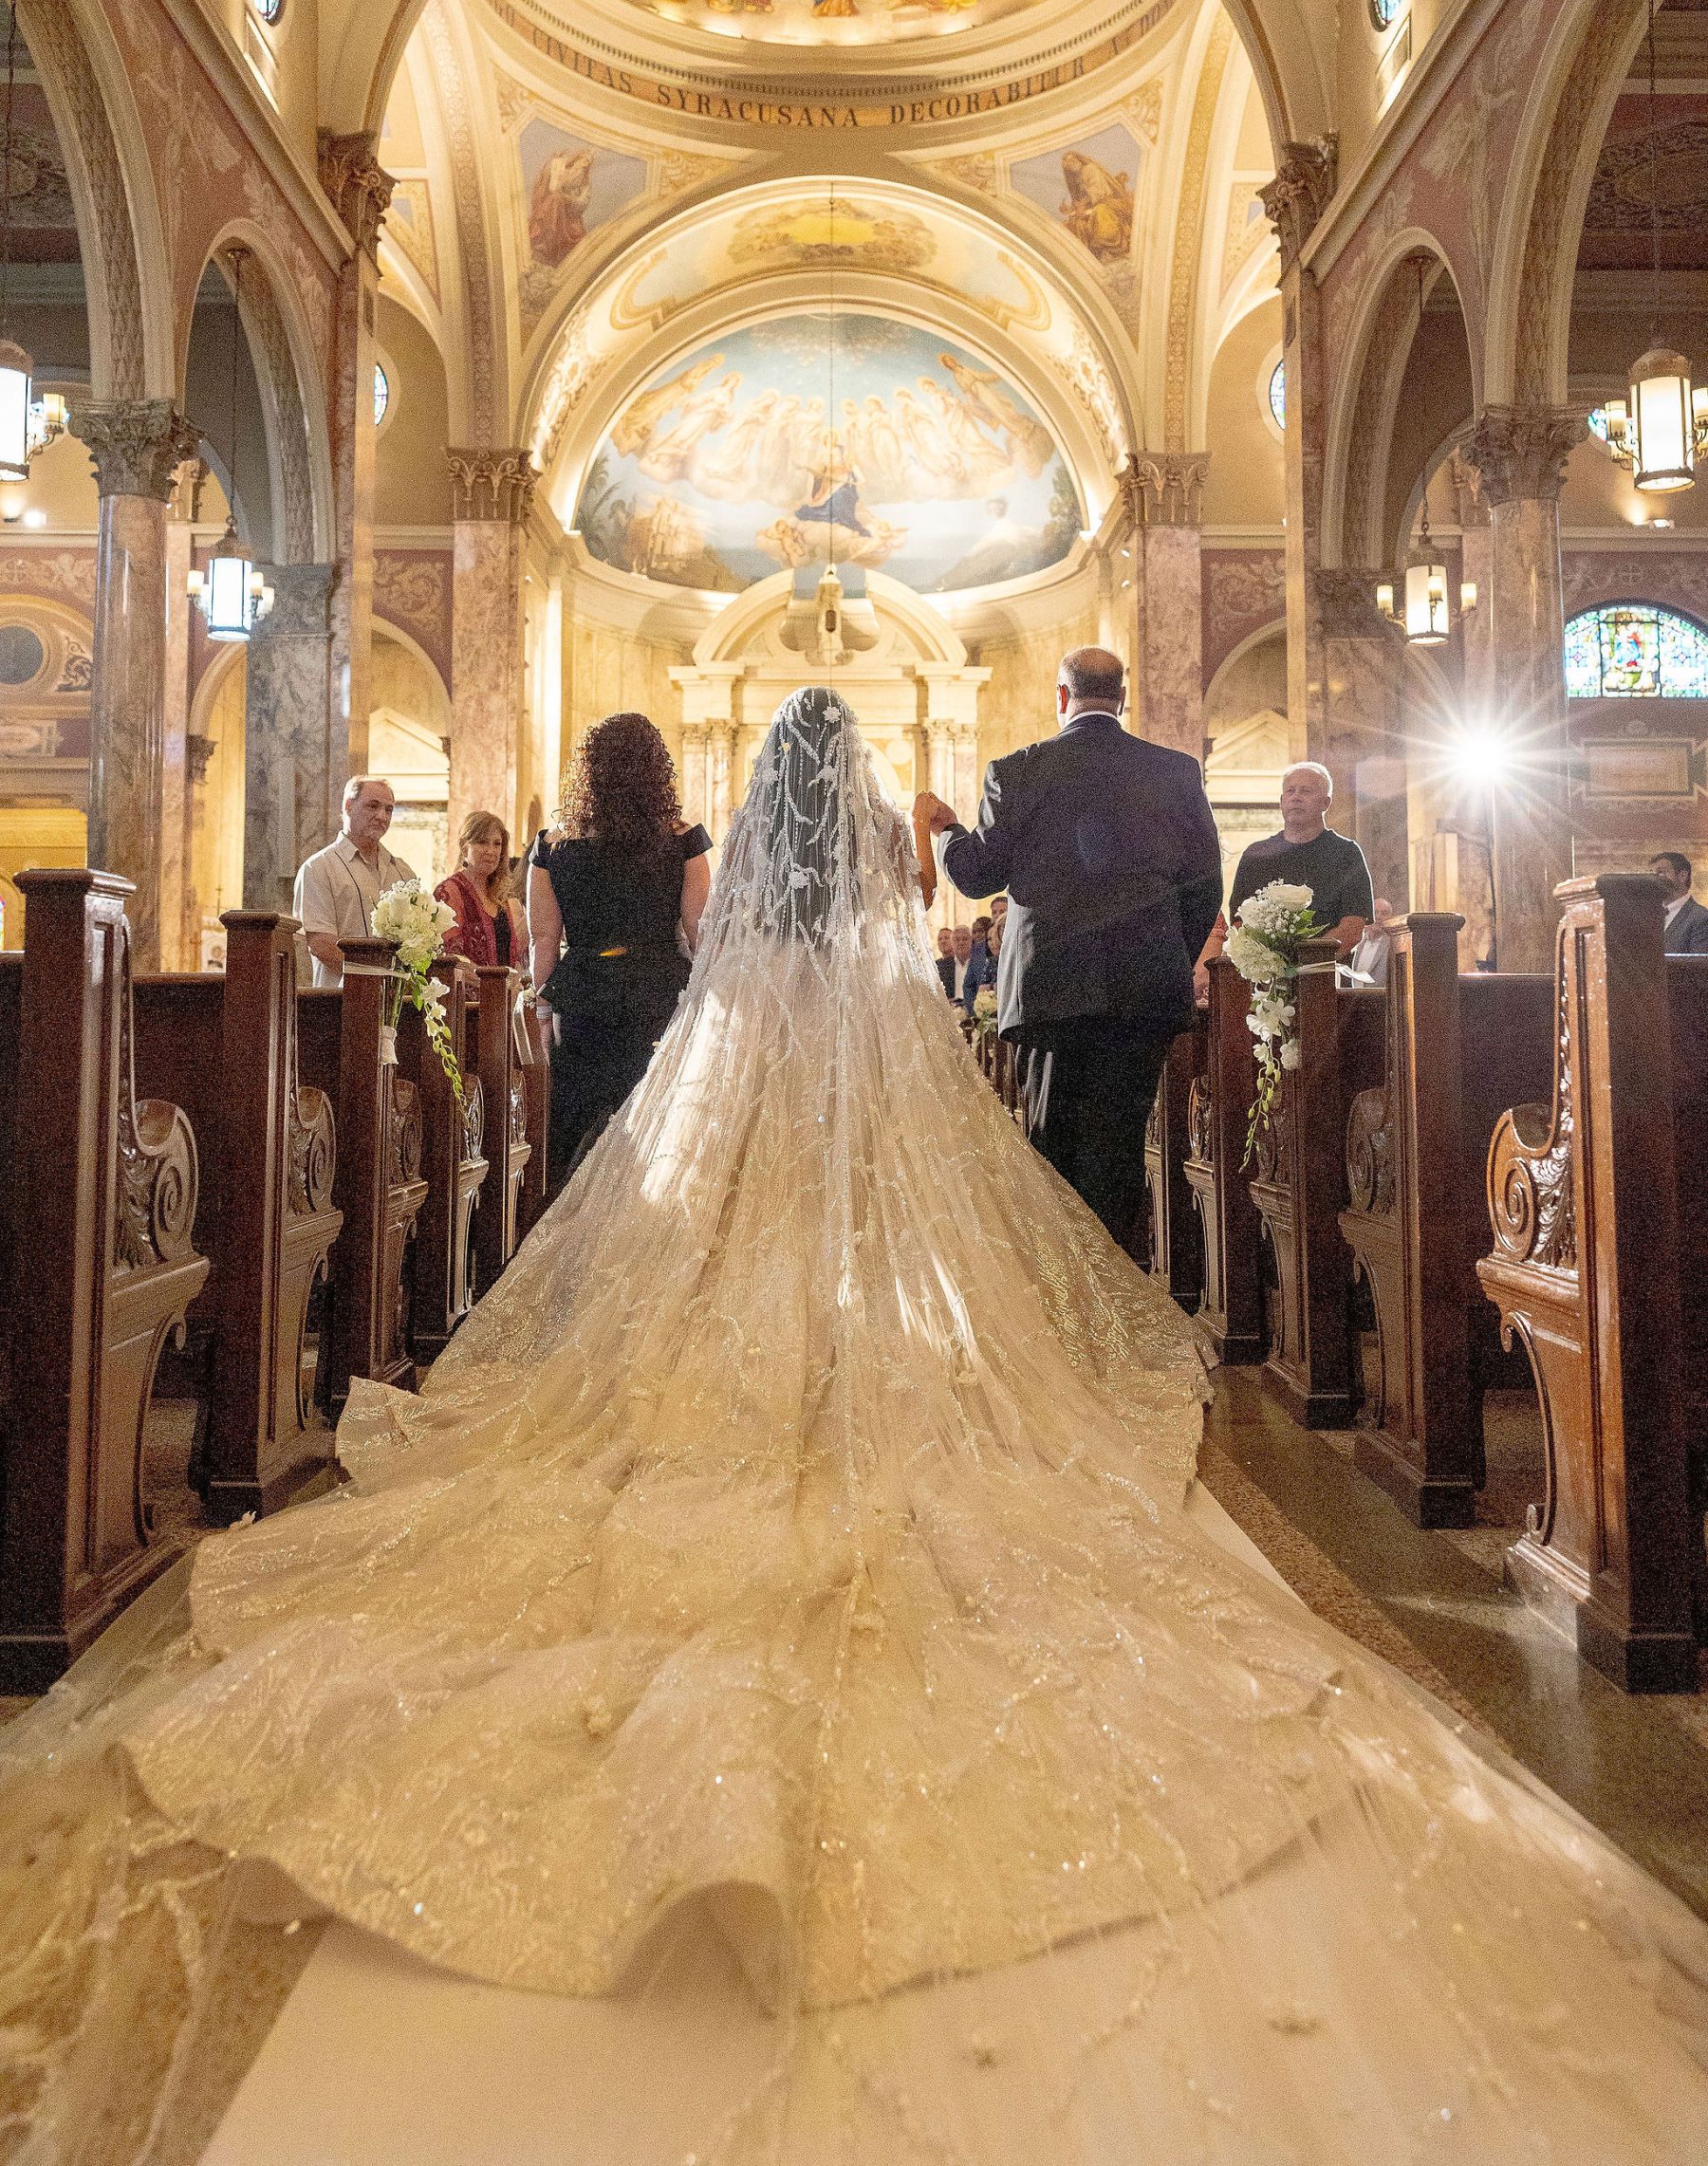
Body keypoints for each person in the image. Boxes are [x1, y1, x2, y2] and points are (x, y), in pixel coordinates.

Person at [13, 682, 1708, 2161]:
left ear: (762, 790)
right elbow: (918, 934)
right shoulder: (889, 842)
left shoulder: (731, 858)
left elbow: (711, 963)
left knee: (712, 1237)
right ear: (861, 783)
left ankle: (728, 1395)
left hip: (744, 1045)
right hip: (870, 1045)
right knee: (909, 1238)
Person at [919, 645, 1223, 1248]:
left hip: (1052, 996)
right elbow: (1205, 883)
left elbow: (980, 875)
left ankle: (1071, 1303)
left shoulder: (1020, 769)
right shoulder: (1175, 771)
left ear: (1062, 698)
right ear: (1122, 698)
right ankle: (1125, 1296)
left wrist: (948, 830)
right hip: (1144, 994)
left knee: (1055, 1149)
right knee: (1122, 1144)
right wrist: (1168, 957)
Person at [527, 713, 710, 1182]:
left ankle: (567, 1224)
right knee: (651, 1118)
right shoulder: (683, 839)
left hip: (584, 993)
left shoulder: (554, 843)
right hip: (658, 991)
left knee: (579, 1117)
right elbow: (698, 931)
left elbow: (543, 938)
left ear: (589, 769)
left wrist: (542, 1013)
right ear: (657, 771)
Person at [1227, 760, 1373, 949]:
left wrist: (1303, 963)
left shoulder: (1347, 854)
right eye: (1290, 791)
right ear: (1281, 802)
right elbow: (1240, 924)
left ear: (1325, 802)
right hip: (1266, 975)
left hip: (1326, 973)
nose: (1296, 797)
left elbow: (1352, 928)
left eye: (1306, 791)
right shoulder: (1256, 855)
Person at [292, 774, 416, 987]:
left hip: (397, 1001)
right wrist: (374, 977)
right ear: (349, 805)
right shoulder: (319, 868)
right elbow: (321, 944)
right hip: (340, 1001)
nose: (382, 816)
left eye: (388, 809)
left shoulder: (403, 872)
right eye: (373, 806)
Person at [434, 810, 528, 971]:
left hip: (503, 992)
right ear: (464, 848)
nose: (491, 851)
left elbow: (513, 956)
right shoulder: (449, 891)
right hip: (465, 993)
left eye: (497, 844)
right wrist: (491, 982)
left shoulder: (500, 896)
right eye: (482, 842)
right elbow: (449, 958)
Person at [1653, 850, 1708, 953]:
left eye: (1661, 872)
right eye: (1653, 875)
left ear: (1683, 876)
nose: (1655, 879)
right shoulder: (1650, 914)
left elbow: (1699, 966)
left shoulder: (1701, 917)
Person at [1346, 896, 1397, 987]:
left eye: (1384, 913)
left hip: (1381, 999)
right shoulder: (1359, 941)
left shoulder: (1394, 946)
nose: (1378, 917)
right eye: (1375, 912)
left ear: (1390, 918)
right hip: (1355, 998)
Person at [937, 918, 974, 1003]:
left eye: (965, 939)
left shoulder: (979, 964)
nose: (961, 943)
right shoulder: (942, 966)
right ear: (952, 943)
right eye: (957, 940)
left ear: (972, 941)